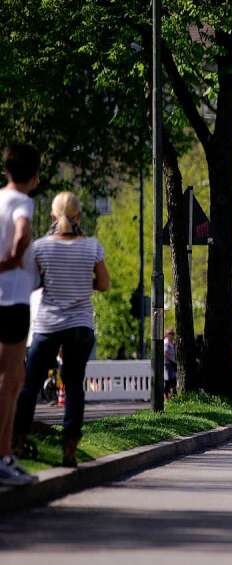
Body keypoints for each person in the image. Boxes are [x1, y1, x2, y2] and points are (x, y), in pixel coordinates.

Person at [11, 191, 109, 469]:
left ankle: (18, 441)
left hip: (48, 324)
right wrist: (80, 283)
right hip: (80, 325)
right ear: (79, 216)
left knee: (31, 384)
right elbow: (103, 284)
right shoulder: (92, 246)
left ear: (53, 216)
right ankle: (69, 450)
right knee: (75, 385)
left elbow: (30, 284)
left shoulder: (40, 247)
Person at [0, 144, 40, 485]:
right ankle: (3, 457)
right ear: (35, 176)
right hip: (13, 300)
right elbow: (22, 235)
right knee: (12, 381)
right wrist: (11, 262)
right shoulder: (22, 202)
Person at [163, 330, 177, 398]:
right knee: (168, 380)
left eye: (173, 334)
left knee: (173, 379)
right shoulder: (166, 343)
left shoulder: (171, 343)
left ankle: (170, 395)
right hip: (168, 363)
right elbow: (165, 353)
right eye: (170, 334)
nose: (172, 335)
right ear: (167, 334)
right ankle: (166, 395)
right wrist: (172, 361)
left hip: (171, 363)